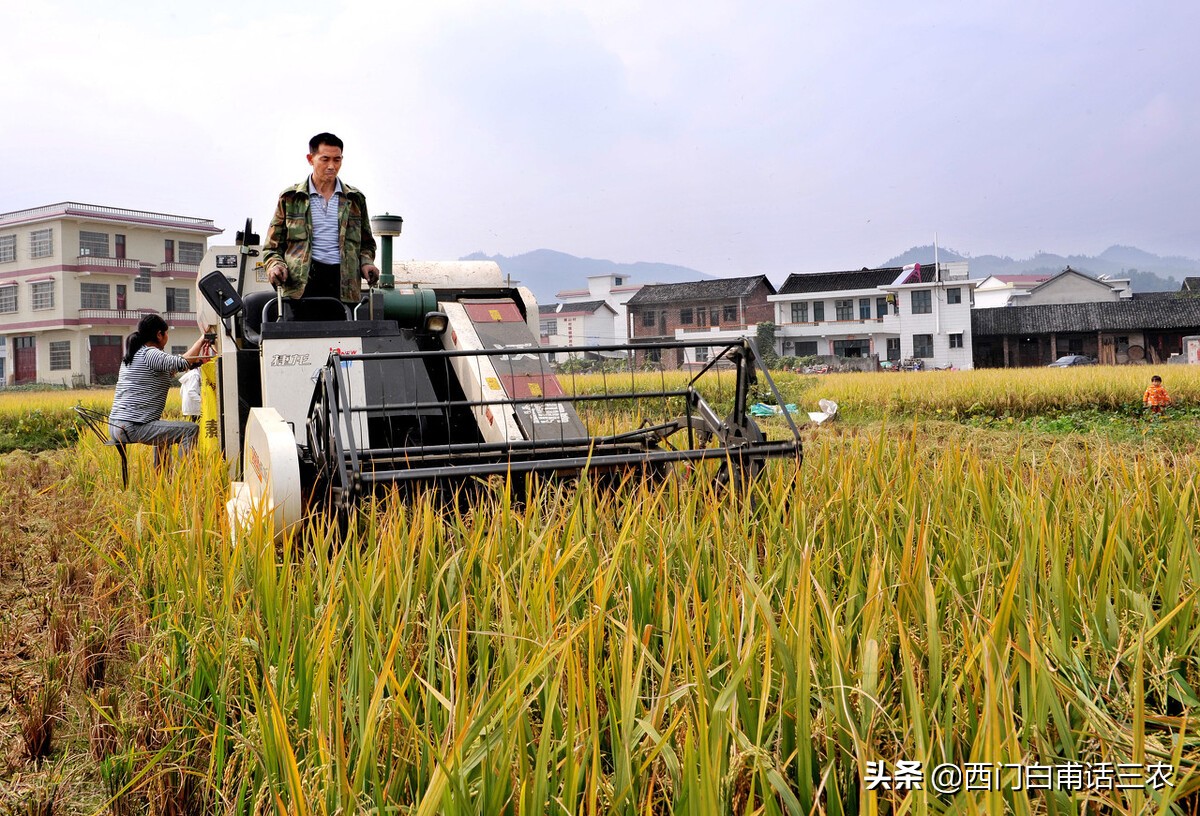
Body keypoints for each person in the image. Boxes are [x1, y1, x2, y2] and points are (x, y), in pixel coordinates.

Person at [261, 132, 380, 304]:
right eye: (325, 159)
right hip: (300, 286)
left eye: (337, 160)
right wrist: (275, 266)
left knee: (342, 331)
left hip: (343, 286)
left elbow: (367, 244)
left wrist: (366, 263)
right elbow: (272, 247)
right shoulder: (291, 198)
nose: (331, 166)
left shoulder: (355, 199)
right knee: (302, 331)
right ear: (311, 159)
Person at [109, 314, 214, 466]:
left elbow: (175, 366)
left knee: (164, 431)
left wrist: (197, 360)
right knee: (191, 430)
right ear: (159, 334)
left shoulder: (136, 354)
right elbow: (180, 363)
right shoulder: (150, 353)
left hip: (117, 425)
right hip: (132, 426)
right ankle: (183, 478)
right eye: (166, 333)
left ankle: (164, 479)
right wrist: (202, 339)